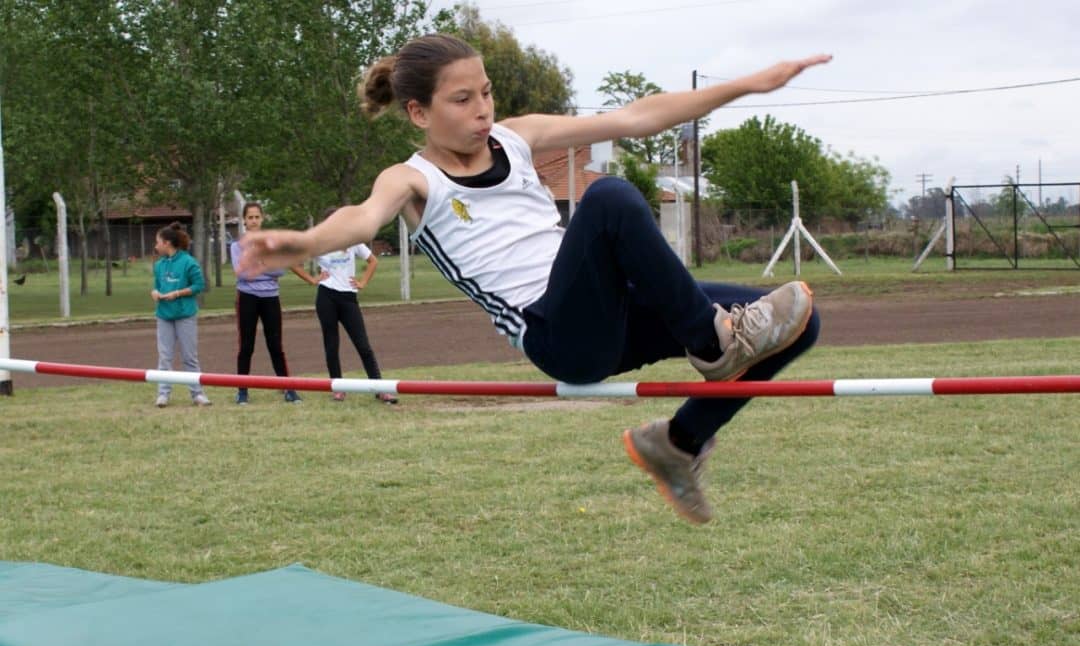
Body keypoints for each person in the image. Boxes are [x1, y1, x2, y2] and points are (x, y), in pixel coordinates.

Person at [238, 34, 828, 523]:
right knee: (610, 199)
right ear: (419, 112)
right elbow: (363, 218)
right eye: (462, 99)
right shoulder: (412, 180)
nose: (483, 109)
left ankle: (678, 443)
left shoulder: (515, 139)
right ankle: (714, 344)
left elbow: (634, 117)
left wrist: (747, 85)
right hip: (557, 334)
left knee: (799, 322)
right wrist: (307, 243)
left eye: (487, 92)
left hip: (612, 313)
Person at [230, 202, 319, 405]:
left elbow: (280, 270)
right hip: (247, 298)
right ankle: (242, 391)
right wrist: (265, 266)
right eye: (250, 217)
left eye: (257, 217)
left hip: (271, 297)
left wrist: (258, 265)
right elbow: (242, 273)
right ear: (244, 221)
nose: (254, 221)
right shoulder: (237, 246)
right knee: (246, 346)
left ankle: (288, 389)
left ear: (262, 219)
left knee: (276, 345)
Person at [312, 208, 397, 405]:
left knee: (363, 346)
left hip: (348, 299)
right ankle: (338, 388)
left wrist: (363, 282)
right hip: (326, 297)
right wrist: (312, 279)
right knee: (331, 345)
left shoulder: (354, 241)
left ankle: (380, 389)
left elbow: (372, 261)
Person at [151, 222, 211, 408]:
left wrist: (177, 293)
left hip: (185, 315)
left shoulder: (188, 262)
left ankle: (197, 394)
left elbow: (199, 286)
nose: (156, 246)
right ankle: (163, 394)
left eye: (158, 242)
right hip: (164, 315)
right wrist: (155, 293)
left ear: (167, 243)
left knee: (189, 357)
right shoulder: (159, 265)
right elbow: (157, 286)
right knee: (165, 357)